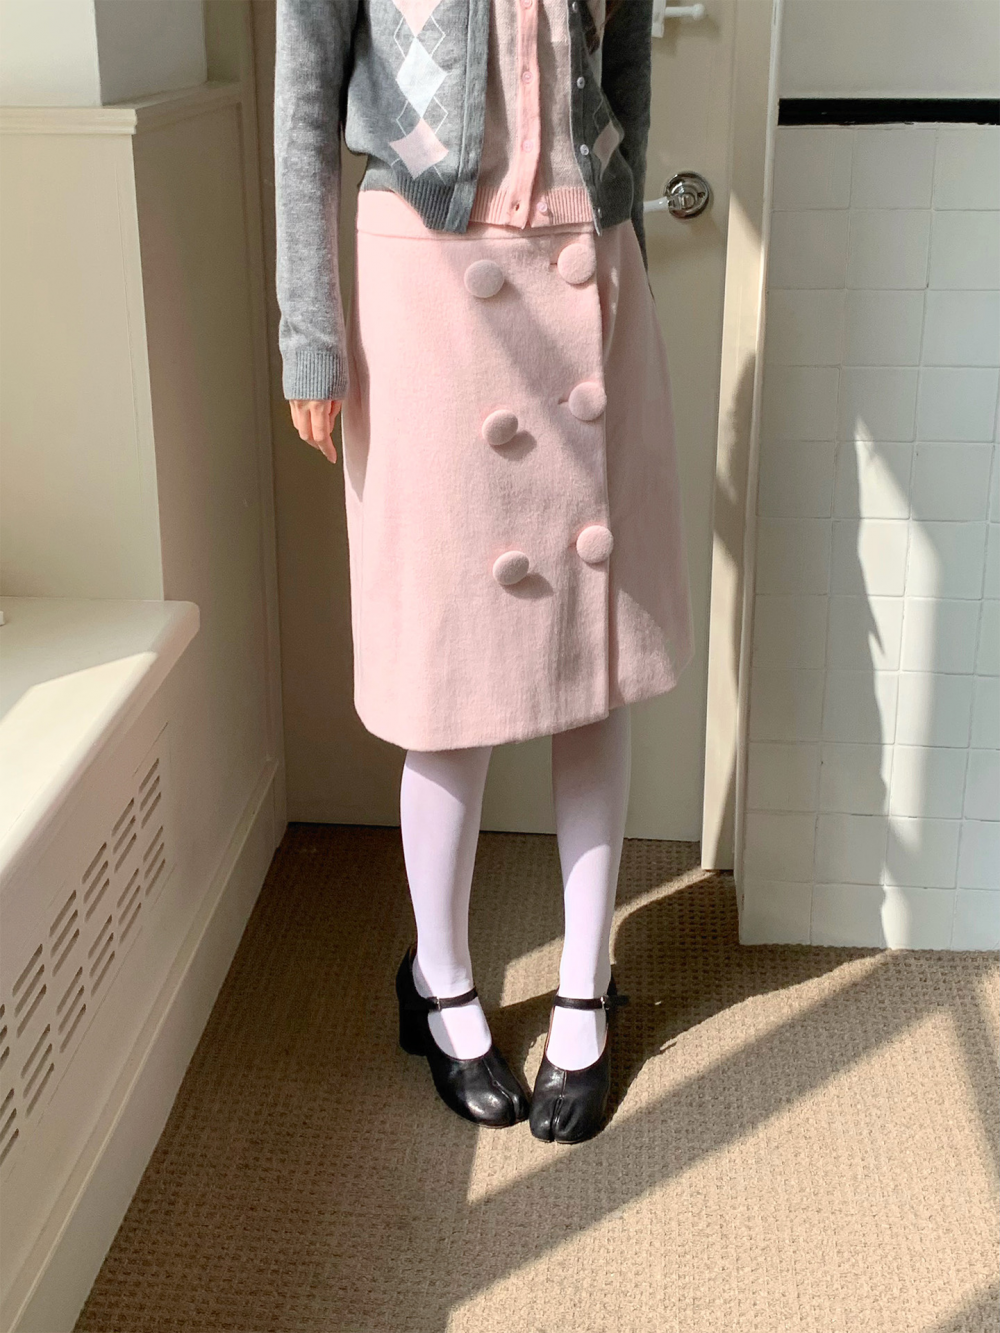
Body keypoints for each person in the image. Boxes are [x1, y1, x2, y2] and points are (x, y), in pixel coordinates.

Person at [273, 0, 693, 1143]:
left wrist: (629, 259)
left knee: (593, 664)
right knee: (446, 668)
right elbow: (305, 96)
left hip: (585, 269)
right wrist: (309, 336)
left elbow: (625, 66)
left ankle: (583, 991)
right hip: (426, 280)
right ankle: (443, 982)